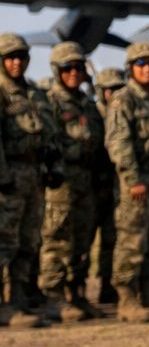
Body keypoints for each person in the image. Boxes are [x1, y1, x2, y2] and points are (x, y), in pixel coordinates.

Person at [105, 42, 149, 322]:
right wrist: (133, 179)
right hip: (136, 182)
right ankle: (127, 300)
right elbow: (118, 142)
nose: (147, 68)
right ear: (131, 69)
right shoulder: (124, 99)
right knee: (132, 241)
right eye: (140, 64)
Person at [38, 42, 105, 322]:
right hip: (61, 183)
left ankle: (76, 293)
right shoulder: (49, 102)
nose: (75, 73)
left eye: (79, 68)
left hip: (86, 181)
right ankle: (54, 297)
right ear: (57, 71)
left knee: (83, 240)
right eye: (68, 68)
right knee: (57, 240)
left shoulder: (87, 106)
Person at [0, 33, 60, 328]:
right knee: (3, 242)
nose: (16, 63)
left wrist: (52, 165)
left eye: (21, 57)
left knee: (27, 242)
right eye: (9, 57)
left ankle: (19, 300)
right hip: (8, 178)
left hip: (32, 178)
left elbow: (47, 135)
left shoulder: (33, 94)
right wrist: (3, 178)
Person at [90, 67, 126, 305]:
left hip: (115, 187)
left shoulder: (123, 115)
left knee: (112, 240)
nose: (112, 94)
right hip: (90, 187)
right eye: (108, 90)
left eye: (117, 89)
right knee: (82, 239)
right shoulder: (92, 115)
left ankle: (107, 285)